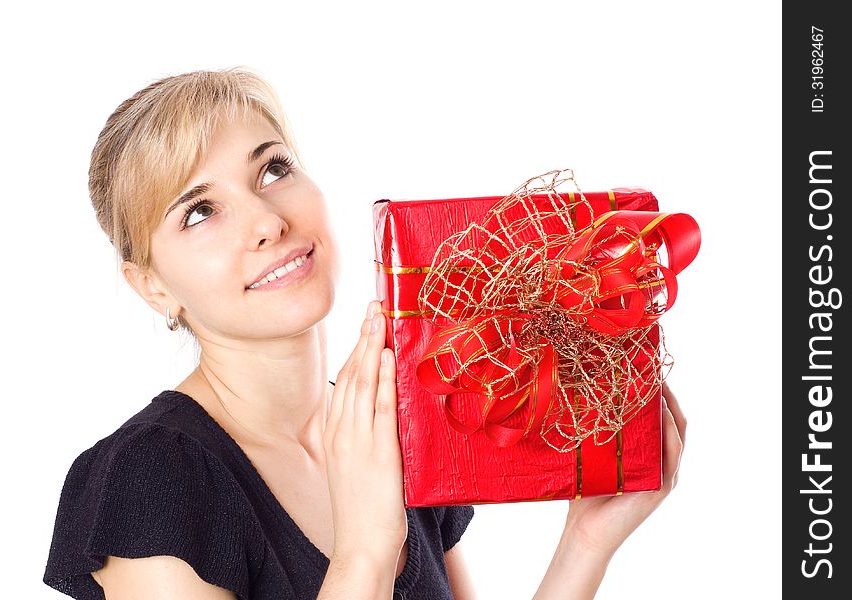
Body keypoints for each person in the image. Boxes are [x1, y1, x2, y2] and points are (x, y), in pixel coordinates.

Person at [44, 67, 686, 600]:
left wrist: (587, 543)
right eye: (200, 211)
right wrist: (365, 556)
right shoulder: (149, 478)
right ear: (151, 285)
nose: (268, 220)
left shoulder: (392, 430)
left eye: (272, 169)